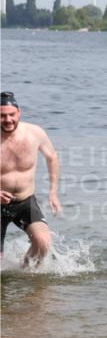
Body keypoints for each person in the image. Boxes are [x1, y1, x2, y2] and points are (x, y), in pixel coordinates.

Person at [1, 91, 61, 266]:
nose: (8, 120)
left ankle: (26, 273)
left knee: (43, 243)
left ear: (18, 113)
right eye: (2, 116)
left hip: (24, 202)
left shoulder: (35, 133)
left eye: (11, 115)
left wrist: (53, 193)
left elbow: (52, 157)